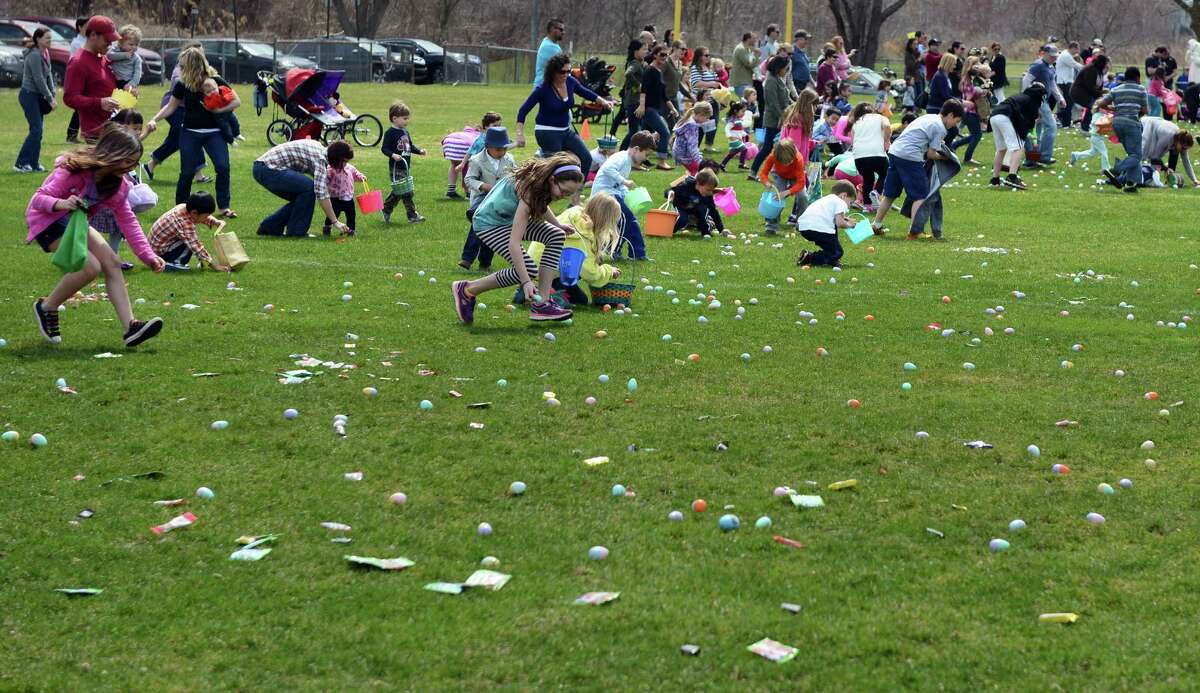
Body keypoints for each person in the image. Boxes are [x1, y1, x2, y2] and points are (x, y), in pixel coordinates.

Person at [26, 123, 166, 347]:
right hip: (48, 220)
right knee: (90, 267)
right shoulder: (73, 171)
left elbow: (128, 221)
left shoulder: (117, 185)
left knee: (112, 261)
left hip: (74, 221)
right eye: (127, 161)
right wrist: (62, 203)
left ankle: (131, 326)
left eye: (134, 162)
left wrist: (148, 256)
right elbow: (39, 199)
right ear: (113, 153)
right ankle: (47, 307)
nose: (130, 167)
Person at [451, 153, 584, 324]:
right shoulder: (528, 190)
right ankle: (467, 289)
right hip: (489, 225)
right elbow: (514, 243)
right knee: (527, 270)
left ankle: (542, 303)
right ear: (553, 179)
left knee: (556, 235)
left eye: (568, 194)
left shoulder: (541, 183)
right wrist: (526, 282)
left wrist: (557, 225)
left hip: (505, 219)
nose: (563, 196)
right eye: (563, 191)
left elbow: (540, 205)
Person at [145, 47, 238, 218]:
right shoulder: (183, 84)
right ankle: (180, 208)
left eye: (183, 65)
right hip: (190, 132)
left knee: (223, 167)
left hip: (214, 133)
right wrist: (154, 119)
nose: (180, 68)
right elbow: (171, 106)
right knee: (187, 172)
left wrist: (218, 111)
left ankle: (224, 207)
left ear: (192, 65)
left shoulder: (214, 79)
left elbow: (236, 101)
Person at [516, 53, 611, 191]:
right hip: (546, 132)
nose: (566, 74)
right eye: (563, 71)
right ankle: (536, 188)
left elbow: (585, 92)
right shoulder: (543, 89)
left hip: (565, 131)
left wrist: (603, 101)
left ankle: (576, 193)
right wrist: (520, 134)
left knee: (586, 158)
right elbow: (523, 110)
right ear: (553, 72)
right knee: (556, 167)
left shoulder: (570, 81)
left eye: (569, 71)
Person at [872, 99, 964, 236]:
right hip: (910, 156)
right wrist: (945, 157)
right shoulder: (940, 128)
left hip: (895, 152)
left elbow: (922, 137)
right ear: (950, 115)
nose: (953, 125)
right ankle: (915, 231)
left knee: (890, 194)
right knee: (921, 194)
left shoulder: (930, 117)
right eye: (956, 121)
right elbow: (931, 154)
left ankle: (876, 224)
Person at [526, 193, 623, 306]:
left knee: (579, 295)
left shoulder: (575, 213)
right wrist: (609, 271)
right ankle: (542, 293)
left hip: (532, 266)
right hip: (545, 273)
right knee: (581, 300)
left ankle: (531, 290)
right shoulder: (584, 235)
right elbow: (589, 272)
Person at [252, 139, 355, 236]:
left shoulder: (320, 149)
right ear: (337, 157)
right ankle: (296, 232)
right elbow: (321, 194)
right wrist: (335, 222)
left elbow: (322, 184)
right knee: (309, 188)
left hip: (263, 167)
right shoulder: (320, 159)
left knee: (302, 198)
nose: (344, 165)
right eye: (344, 161)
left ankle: (269, 227)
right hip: (268, 169)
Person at [143, 40, 207, 185]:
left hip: (186, 110)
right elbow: (181, 87)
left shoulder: (202, 69)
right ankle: (198, 173)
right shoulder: (180, 71)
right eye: (198, 54)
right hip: (174, 110)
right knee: (188, 136)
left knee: (177, 139)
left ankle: (150, 165)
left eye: (202, 54)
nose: (202, 57)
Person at [594, 130, 657, 261]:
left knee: (632, 220)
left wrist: (627, 192)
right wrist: (624, 181)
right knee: (624, 218)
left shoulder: (628, 161)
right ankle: (613, 251)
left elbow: (619, 184)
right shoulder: (621, 157)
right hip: (604, 194)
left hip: (614, 193)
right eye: (646, 154)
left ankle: (638, 253)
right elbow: (607, 169)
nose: (646, 158)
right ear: (636, 149)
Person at [460, 126, 517, 270]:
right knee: (478, 224)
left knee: (492, 230)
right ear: (487, 147)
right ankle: (467, 258)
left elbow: (516, 176)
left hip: (500, 200)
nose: (502, 152)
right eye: (498, 149)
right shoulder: (476, 160)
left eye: (504, 148)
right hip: (482, 197)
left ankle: (485, 263)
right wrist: (484, 186)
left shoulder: (509, 160)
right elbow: (469, 180)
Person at [63, 16, 121, 143]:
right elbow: (69, 98)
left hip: (113, 128)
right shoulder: (78, 62)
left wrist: (128, 90)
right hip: (96, 134)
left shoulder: (103, 57)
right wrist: (99, 102)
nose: (110, 44)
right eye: (107, 39)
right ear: (93, 35)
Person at [1095, 67, 1149, 192]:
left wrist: (1115, 109)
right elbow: (1146, 110)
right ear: (1137, 78)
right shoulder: (1141, 89)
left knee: (1132, 154)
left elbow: (1101, 103)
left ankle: (1131, 184)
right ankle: (1118, 168)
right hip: (1131, 123)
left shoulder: (1116, 89)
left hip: (1117, 123)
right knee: (1136, 155)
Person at [149, 191, 231, 271]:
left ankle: (173, 261)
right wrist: (214, 265)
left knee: (189, 239)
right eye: (206, 216)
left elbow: (201, 216)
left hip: (155, 250)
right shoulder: (183, 222)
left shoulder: (184, 207)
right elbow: (195, 246)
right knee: (190, 242)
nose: (207, 218)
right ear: (194, 212)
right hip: (158, 255)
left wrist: (215, 222)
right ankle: (173, 263)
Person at [989, 84, 1046, 190]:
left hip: (994, 115)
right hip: (1005, 117)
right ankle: (1012, 176)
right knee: (1019, 148)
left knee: (1001, 149)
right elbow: (1028, 121)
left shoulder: (1021, 96)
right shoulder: (1033, 101)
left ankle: (995, 179)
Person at [15, 27, 57, 173]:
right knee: (36, 130)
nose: (50, 41)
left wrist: (53, 93)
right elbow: (38, 79)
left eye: (50, 38)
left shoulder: (45, 53)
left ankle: (33, 163)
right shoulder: (34, 55)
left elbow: (49, 75)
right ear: (38, 39)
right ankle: (21, 163)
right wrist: (50, 98)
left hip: (38, 96)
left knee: (38, 131)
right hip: (29, 95)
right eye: (47, 38)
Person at [380, 101, 426, 224]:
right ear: (394, 118)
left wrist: (419, 151)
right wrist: (393, 155)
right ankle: (412, 216)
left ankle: (386, 209)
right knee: (407, 192)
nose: (407, 121)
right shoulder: (390, 133)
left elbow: (410, 146)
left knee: (399, 192)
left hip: (405, 167)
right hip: (396, 168)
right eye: (404, 118)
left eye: (407, 118)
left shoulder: (405, 132)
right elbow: (384, 148)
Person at [795, 179, 856, 267]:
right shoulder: (840, 202)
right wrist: (850, 225)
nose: (849, 206)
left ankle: (832, 260)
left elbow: (831, 217)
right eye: (850, 202)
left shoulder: (828, 199)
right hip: (818, 228)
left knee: (832, 246)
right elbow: (840, 223)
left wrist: (845, 219)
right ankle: (809, 257)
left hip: (804, 227)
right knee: (837, 252)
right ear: (844, 195)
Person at [1022, 45, 1066, 167]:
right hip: (1035, 100)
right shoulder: (1038, 65)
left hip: (1043, 100)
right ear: (1044, 54)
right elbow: (1026, 81)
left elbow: (1052, 84)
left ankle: (1032, 160)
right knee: (1051, 127)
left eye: (1055, 56)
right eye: (1051, 56)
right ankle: (1044, 156)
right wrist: (1026, 100)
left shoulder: (1051, 67)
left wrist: (1060, 98)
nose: (1053, 58)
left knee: (1037, 130)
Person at [750, 56, 794, 176]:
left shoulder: (778, 79)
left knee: (773, 147)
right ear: (778, 68)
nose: (787, 70)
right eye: (786, 68)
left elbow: (785, 97)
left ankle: (776, 171)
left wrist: (795, 106)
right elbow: (772, 102)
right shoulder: (771, 81)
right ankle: (753, 171)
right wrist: (782, 116)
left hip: (781, 118)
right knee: (767, 147)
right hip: (773, 120)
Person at [638, 45, 678, 169]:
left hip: (656, 109)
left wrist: (673, 109)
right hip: (649, 109)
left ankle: (636, 160)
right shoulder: (649, 71)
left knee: (643, 137)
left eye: (666, 55)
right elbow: (643, 90)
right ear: (655, 55)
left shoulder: (659, 72)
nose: (664, 57)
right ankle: (661, 162)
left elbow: (664, 96)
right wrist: (642, 106)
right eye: (661, 54)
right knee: (664, 133)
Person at [758, 138, 806, 235]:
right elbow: (763, 173)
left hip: (795, 178)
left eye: (789, 162)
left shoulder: (799, 159)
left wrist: (787, 192)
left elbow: (801, 183)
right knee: (776, 198)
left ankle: (801, 223)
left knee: (803, 196)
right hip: (779, 175)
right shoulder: (772, 156)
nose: (786, 164)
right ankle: (771, 226)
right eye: (783, 162)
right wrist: (767, 183)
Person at [849, 103, 892, 210]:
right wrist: (887, 140)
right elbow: (887, 126)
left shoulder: (856, 123)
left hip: (859, 156)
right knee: (886, 173)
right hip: (876, 153)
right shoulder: (880, 117)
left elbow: (853, 141)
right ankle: (876, 193)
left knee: (868, 179)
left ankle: (868, 206)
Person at [666, 168, 726, 237]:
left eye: (711, 190)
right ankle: (668, 231)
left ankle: (706, 232)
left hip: (695, 209)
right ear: (699, 183)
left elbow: (713, 211)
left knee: (703, 210)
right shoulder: (686, 184)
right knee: (682, 219)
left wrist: (721, 229)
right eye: (708, 190)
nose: (710, 192)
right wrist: (670, 193)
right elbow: (670, 189)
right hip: (681, 206)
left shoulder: (707, 194)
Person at [1141, 116, 1198, 186]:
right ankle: (1134, 176)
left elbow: (1186, 161)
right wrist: (1166, 169)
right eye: (1184, 148)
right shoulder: (1167, 137)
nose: (1184, 150)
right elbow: (1154, 157)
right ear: (1180, 141)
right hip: (1147, 124)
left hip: (1159, 126)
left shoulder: (1180, 141)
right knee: (1143, 153)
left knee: (1174, 152)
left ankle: (1168, 179)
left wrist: (1194, 180)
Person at [952, 57, 988, 164]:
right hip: (970, 111)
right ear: (970, 66)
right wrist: (982, 91)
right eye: (976, 63)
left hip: (971, 111)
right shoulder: (967, 79)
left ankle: (955, 145)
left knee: (974, 134)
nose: (978, 65)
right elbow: (971, 94)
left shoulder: (973, 78)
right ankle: (967, 158)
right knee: (977, 135)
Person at [614, 40, 648, 145]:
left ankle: (637, 154)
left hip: (638, 101)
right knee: (633, 132)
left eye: (646, 49)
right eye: (643, 49)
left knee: (638, 131)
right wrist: (638, 85)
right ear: (636, 51)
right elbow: (628, 74)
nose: (646, 52)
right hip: (633, 101)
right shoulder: (635, 63)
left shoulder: (640, 63)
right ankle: (622, 152)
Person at [689, 48, 724, 147]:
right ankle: (695, 145)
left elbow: (716, 82)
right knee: (700, 124)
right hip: (701, 101)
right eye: (706, 55)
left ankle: (709, 145)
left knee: (713, 123)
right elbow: (696, 83)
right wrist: (711, 84)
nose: (708, 57)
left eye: (709, 55)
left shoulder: (710, 68)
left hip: (713, 99)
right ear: (699, 56)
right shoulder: (695, 68)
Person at [323, 156, 365, 237]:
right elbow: (325, 180)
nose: (344, 164)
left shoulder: (350, 167)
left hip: (348, 198)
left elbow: (356, 174)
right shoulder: (330, 169)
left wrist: (361, 177)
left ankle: (351, 230)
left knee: (351, 215)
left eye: (346, 161)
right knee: (334, 214)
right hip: (335, 197)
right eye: (342, 161)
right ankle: (327, 227)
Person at [1071, 54, 1109, 132]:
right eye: (1106, 63)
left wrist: (1102, 92)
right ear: (1101, 63)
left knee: (1095, 106)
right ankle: (1084, 127)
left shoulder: (1099, 71)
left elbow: (1098, 86)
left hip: (1089, 93)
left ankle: (1091, 126)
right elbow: (1089, 86)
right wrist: (1100, 93)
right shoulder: (1090, 69)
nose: (1106, 65)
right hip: (1079, 93)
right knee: (1092, 106)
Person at [64, 17, 87, 143]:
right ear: (80, 27)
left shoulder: (87, 40)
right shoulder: (77, 43)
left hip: (86, 78)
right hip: (79, 78)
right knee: (79, 108)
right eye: (87, 25)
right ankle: (71, 135)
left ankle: (76, 134)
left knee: (82, 109)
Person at [672, 101, 711, 175]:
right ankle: (679, 186)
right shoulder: (692, 126)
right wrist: (699, 160)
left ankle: (683, 184)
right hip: (685, 155)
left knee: (693, 174)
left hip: (680, 153)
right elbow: (692, 146)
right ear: (701, 114)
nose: (707, 120)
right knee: (698, 174)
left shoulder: (689, 120)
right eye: (707, 117)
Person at [200, 77, 241, 144]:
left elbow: (230, 95)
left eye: (214, 89)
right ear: (204, 93)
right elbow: (209, 107)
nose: (212, 92)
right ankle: (231, 141)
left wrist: (227, 98)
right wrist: (214, 98)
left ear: (217, 86)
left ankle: (237, 134)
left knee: (235, 121)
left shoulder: (222, 89)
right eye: (208, 92)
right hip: (219, 117)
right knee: (225, 128)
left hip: (229, 111)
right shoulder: (207, 99)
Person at [107, 25, 143, 94]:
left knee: (125, 103)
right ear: (120, 43)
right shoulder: (115, 50)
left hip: (127, 83)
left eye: (136, 45)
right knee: (113, 102)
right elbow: (109, 55)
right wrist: (125, 55)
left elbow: (137, 75)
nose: (134, 47)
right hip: (113, 81)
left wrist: (131, 84)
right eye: (131, 44)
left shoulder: (136, 59)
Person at [1054, 41, 1082, 128]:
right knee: (1069, 103)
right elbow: (1075, 65)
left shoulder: (1067, 55)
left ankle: (1062, 120)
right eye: (1077, 49)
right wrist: (1087, 68)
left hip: (1067, 81)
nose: (1078, 51)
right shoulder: (1066, 55)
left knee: (1068, 102)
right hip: (1065, 82)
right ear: (1073, 48)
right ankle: (1065, 123)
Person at [533, 18, 566, 87]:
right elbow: (564, 69)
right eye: (561, 30)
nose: (563, 32)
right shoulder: (550, 47)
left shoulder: (548, 41)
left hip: (545, 87)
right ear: (552, 29)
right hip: (544, 89)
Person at [720, 101, 751, 170]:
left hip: (737, 139)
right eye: (742, 111)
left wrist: (745, 134)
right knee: (744, 149)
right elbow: (727, 128)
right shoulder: (733, 120)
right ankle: (741, 164)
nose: (743, 113)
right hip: (734, 140)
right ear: (735, 111)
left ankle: (722, 164)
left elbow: (739, 130)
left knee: (732, 153)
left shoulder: (738, 120)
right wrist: (730, 136)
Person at [731, 32, 758, 98]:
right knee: (744, 104)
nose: (756, 40)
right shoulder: (741, 49)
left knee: (748, 104)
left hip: (747, 82)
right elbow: (749, 64)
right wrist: (756, 55)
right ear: (748, 39)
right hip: (741, 83)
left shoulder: (747, 49)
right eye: (754, 38)